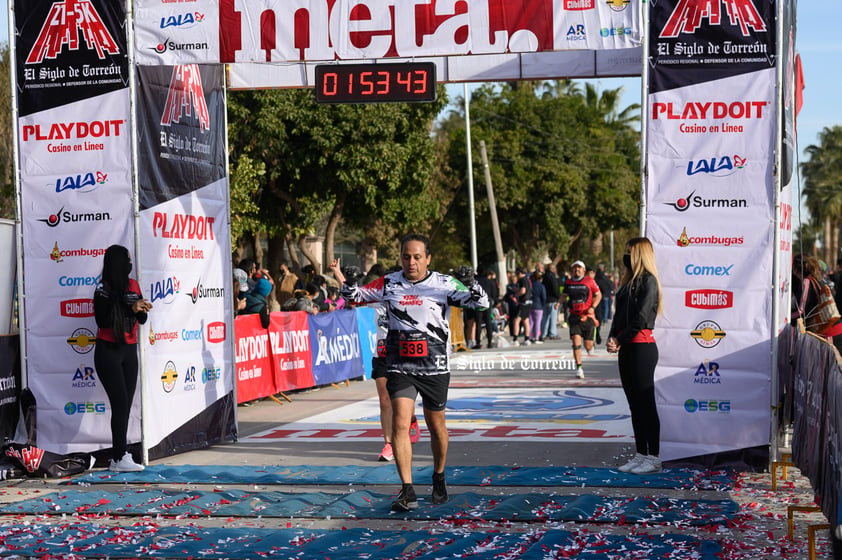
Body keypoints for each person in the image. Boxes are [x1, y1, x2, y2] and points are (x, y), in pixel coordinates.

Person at [333, 234, 489, 511]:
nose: (411, 262)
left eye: (417, 257)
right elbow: (355, 297)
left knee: (436, 426)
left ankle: (439, 476)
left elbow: (482, 304)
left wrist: (472, 283)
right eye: (406, 256)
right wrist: (350, 282)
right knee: (401, 423)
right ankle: (407, 490)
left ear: (428, 258)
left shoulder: (443, 283)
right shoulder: (389, 281)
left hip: (434, 365)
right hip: (400, 363)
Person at [93, 245, 152, 472]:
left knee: (126, 405)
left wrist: (142, 308)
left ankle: (121, 456)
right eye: (127, 259)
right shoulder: (103, 288)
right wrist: (131, 309)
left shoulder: (133, 285)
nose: (130, 262)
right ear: (117, 262)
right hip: (108, 351)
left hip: (129, 350)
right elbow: (102, 320)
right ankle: (118, 458)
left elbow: (142, 319)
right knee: (119, 403)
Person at [607, 237, 663, 475]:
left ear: (640, 254)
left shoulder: (649, 282)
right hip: (627, 347)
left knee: (645, 403)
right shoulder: (627, 282)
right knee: (634, 405)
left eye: (630, 252)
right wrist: (612, 338)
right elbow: (619, 316)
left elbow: (640, 318)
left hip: (642, 348)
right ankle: (641, 453)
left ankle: (654, 457)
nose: (626, 256)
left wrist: (620, 338)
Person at [562, 260, 601, 378]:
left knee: (588, 346)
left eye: (579, 268)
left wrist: (593, 307)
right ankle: (579, 368)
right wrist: (558, 304)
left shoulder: (590, 281)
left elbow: (599, 295)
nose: (577, 270)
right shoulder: (568, 282)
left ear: (584, 270)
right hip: (574, 316)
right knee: (575, 341)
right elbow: (564, 295)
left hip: (587, 317)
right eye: (574, 268)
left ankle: (592, 343)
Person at [475, 267, 499, 349]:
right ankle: (490, 341)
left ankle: (478, 342)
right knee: (488, 322)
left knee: (478, 323)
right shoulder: (490, 282)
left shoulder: (476, 282)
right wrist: (496, 301)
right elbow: (494, 292)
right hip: (487, 302)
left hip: (478, 302)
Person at [511, 268, 533, 346]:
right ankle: (527, 339)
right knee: (525, 320)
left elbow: (523, 291)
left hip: (523, 303)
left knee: (516, 320)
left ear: (519, 273)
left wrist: (515, 294)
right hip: (529, 302)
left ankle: (515, 339)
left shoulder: (522, 280)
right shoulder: (528, 280)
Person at [541, 263, 561, 341]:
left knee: (545, 318)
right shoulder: (552, 277)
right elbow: (555, 288)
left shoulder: (544, 277)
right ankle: (553, 333)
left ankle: (544, 334)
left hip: (546, 300)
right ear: (552, 269)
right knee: (553, 317)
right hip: (553, 300)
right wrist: (558, 297)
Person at [529, 269, 545, 344]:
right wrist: (543, 304)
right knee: (538, 322)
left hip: (531, 305)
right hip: (539, 305)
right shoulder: (541, 286)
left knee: (531, 322)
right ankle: (537, 337)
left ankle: (529, 337)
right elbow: (544, 296)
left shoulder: (531, 285)